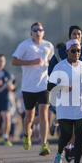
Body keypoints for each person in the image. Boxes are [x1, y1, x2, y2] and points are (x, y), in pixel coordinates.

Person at [12, 22, 54, 155]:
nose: (37, 32)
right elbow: (14, 61)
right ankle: (26, 133)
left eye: (40, 30)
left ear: (43, 32)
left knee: (44, 114)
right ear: (31, 32)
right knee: (29, 117)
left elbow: (50, 60)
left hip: (43, 85)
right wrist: (30, 62)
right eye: (35, 30)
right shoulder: (25, 45)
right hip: (28, 87)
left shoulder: (48, 45)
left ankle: (43, 144)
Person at [49, 39, 82, 163]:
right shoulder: (60, 67)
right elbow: (49, 86)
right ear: (67, 52)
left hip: (81, 107)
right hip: (64, 107)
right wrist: (63, 87)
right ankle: (60, 153)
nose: (77, 53)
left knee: (80, 136)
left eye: (79, 51)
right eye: (73, 51)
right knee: (66, 135)